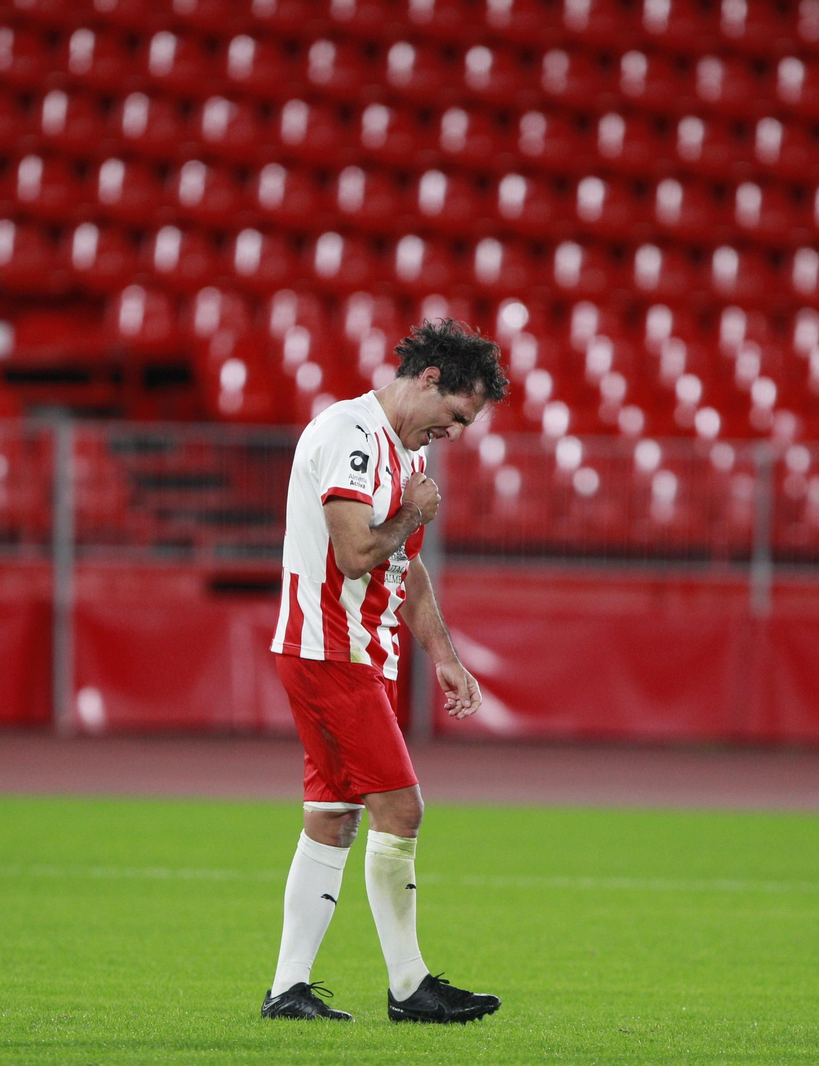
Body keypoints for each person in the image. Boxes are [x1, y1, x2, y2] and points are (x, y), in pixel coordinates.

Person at [261, 318, 509, 1024]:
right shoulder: (352, 435)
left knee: (332, 818)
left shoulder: (406, 452)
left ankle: (288, 990)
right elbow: (355, 553)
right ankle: (409, 988)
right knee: (401, 809)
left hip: (355, 652)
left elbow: (407, 568)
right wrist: (409, 515)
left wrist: (445, 656)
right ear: (429, 379)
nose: (454, 432)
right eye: (456, 415)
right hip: (329, 651)